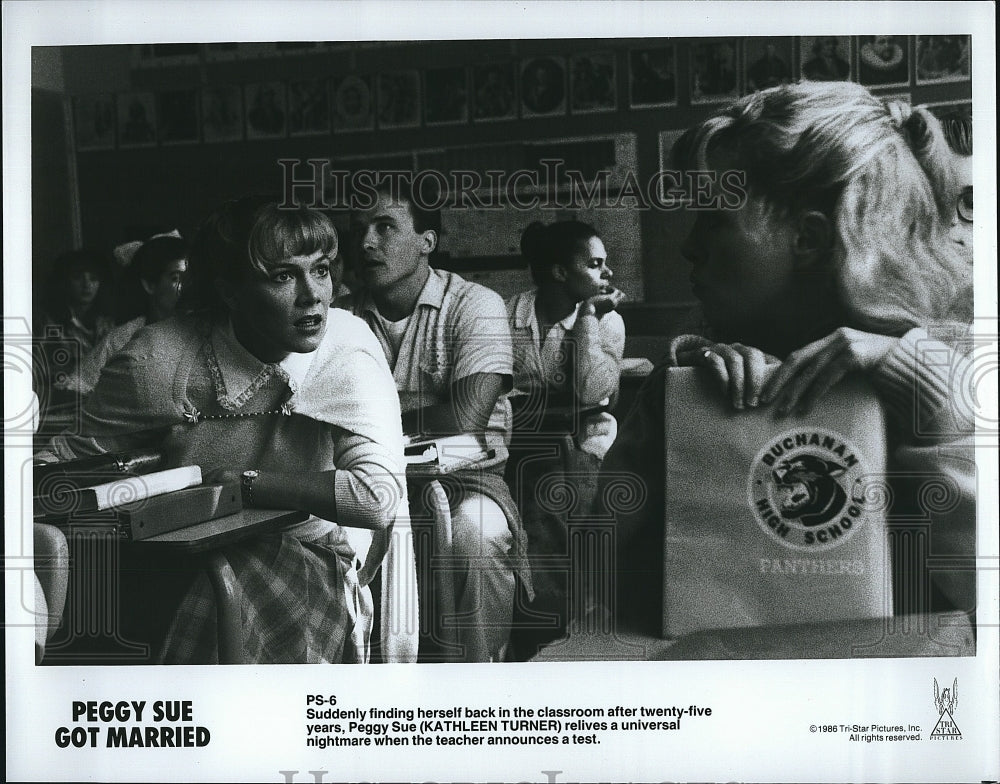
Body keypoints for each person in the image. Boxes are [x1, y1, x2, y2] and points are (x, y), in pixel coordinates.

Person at [603, 81, 974, 634]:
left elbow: (979, 592)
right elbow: (600, 572)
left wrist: (929, 393)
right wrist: (685, 410)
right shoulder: (695, 377)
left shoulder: (963, 367)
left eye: (713, 218)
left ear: (808, 238)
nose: (688, 247)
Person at [37, 195, 408, 664]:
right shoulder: (158, 357)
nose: (313, 294)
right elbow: (58, 465)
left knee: (218, 594)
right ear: (230, 292)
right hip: (174, 553)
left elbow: (376, 498)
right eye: (282, 276)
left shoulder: (346, 345)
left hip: (308, 557)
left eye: (321, 269)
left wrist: (247, 486)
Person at [337, 180, 530, 662]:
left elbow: (466, 417)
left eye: (385, 226)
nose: (366, 243)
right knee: (320, 547)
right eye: (359, 230)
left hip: (467, 479)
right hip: (368, 480)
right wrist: (423, 406)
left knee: (474, 534)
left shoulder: (476, 304)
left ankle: (478, 687)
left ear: (427, 241)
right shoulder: (339, 315)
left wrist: (371, 412)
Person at [505, 220, 625, 657]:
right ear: (559, 272)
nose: (606, 274)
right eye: (595, 264)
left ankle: (554, 626)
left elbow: (590, 392)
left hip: (583, 439)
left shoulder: (607, 322)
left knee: (559, 489)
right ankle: (529, 623)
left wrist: (589, 319)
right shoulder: (506, 315)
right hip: (518, 440)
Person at [61, 232, 190, 396]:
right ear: (150, 285)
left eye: (190, 278)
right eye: (175, 278)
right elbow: (79, 386)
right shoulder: (122, 339)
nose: (186, 287)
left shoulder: (204, 331)